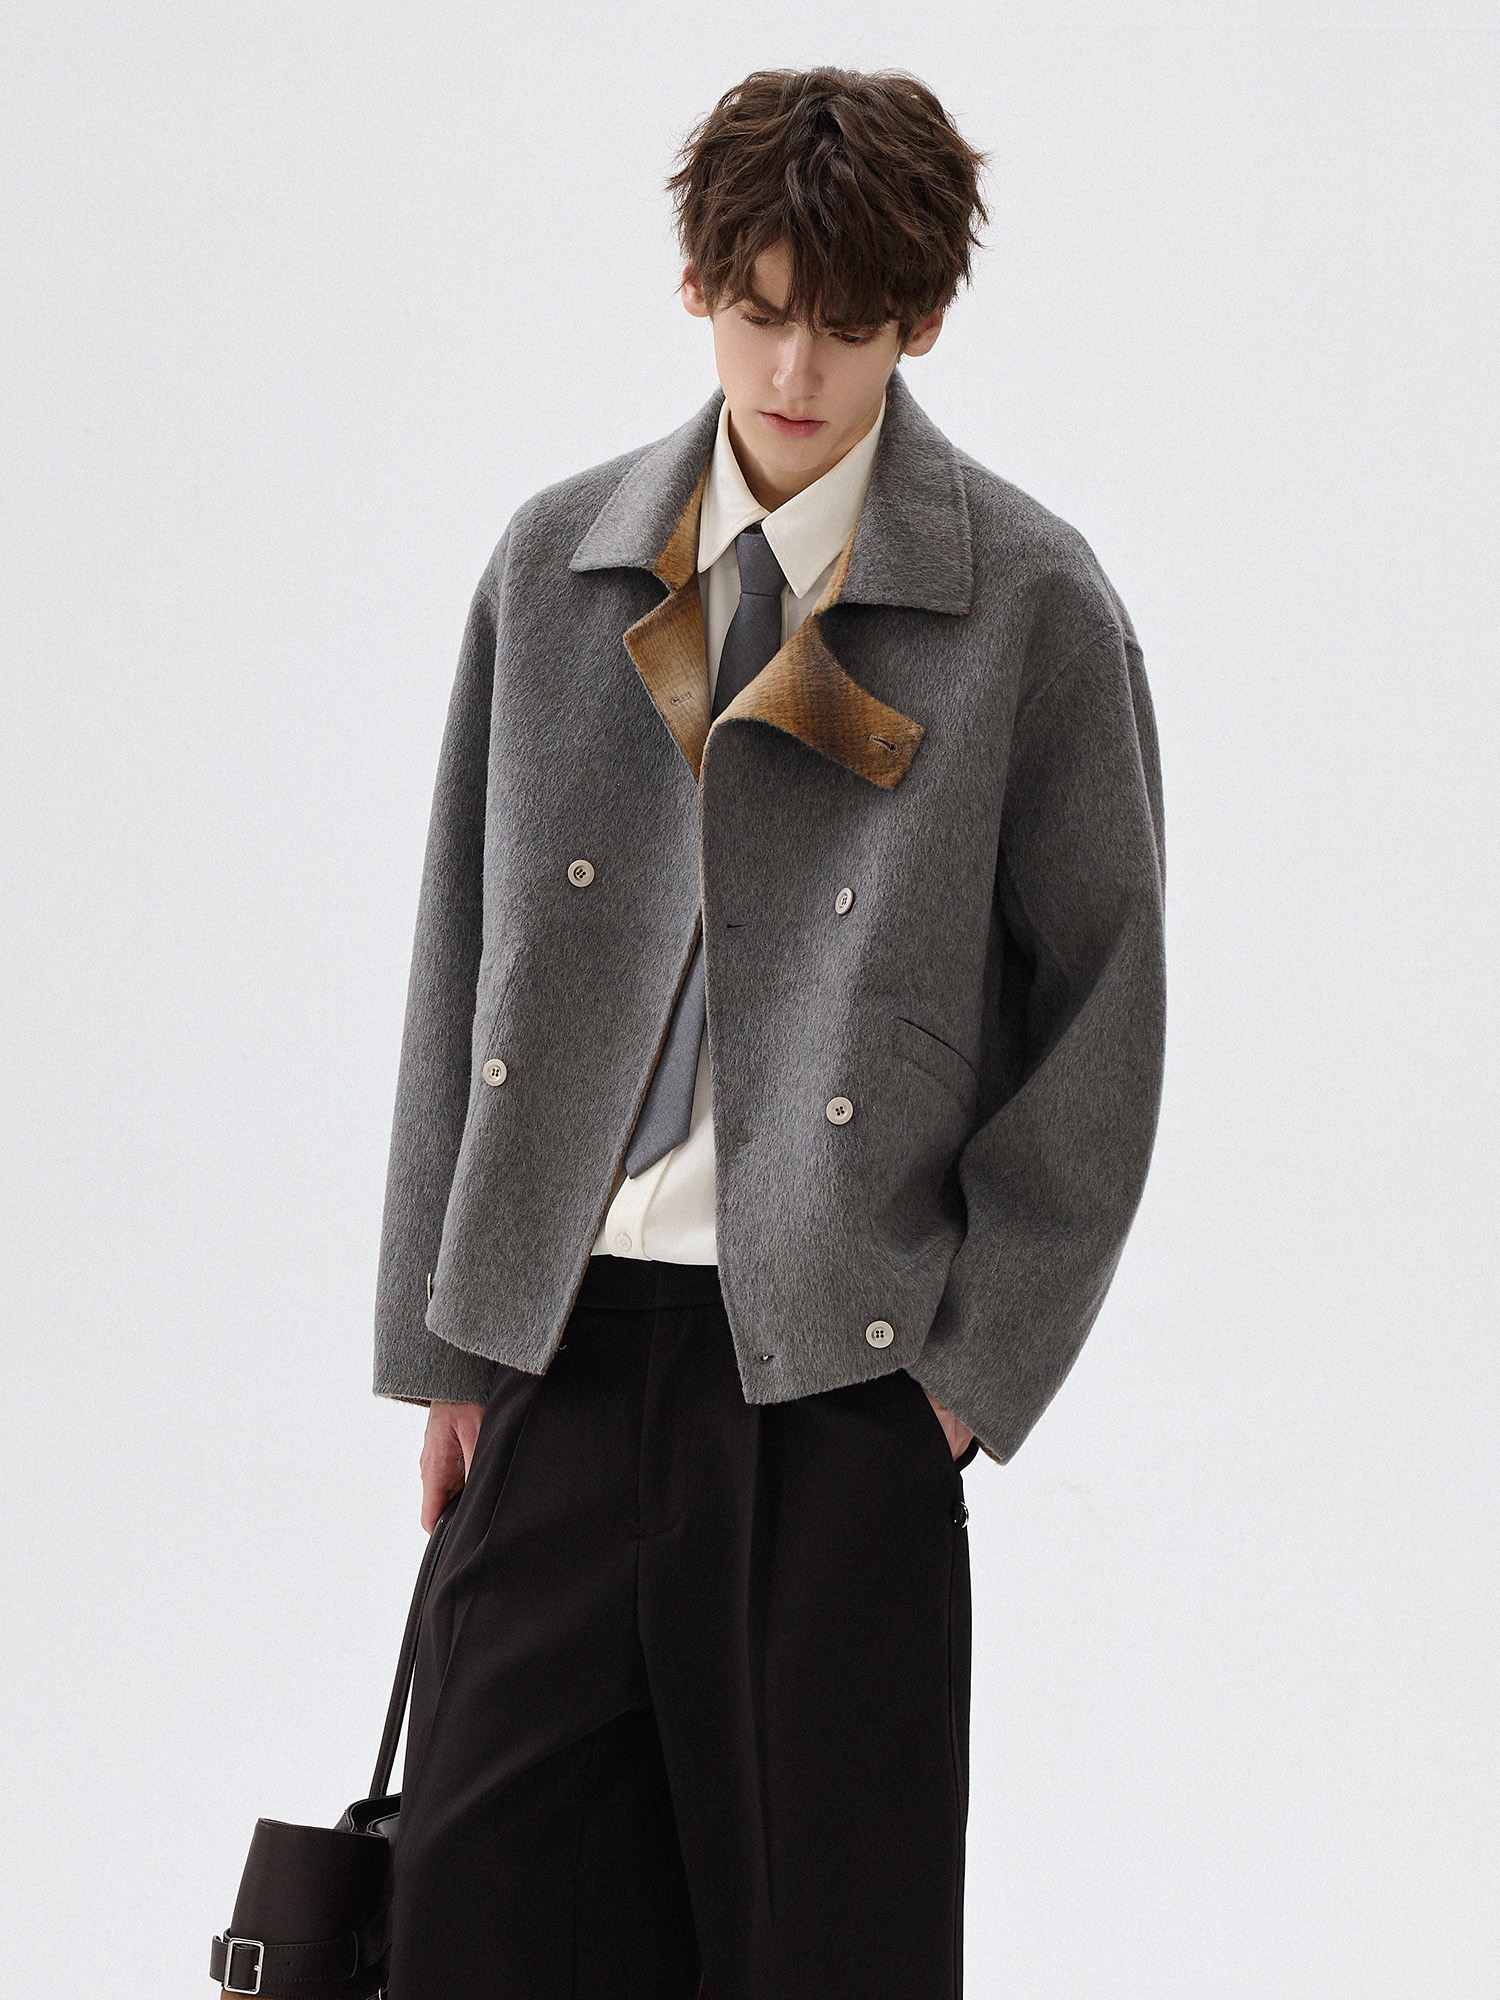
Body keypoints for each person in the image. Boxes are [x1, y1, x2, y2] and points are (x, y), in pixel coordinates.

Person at [373, 65, 1165, 2000]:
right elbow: (458, 951)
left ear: (924, 320)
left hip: (836, 1395)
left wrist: (959, 1382)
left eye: (850, 322)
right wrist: (446, 1343)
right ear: (698, 286)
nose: (796, 368)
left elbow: (1106, 1010)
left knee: (825, 1951)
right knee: (481, 1929)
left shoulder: (1026, 606)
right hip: (559, 1356)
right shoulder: (557, 567)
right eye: (760, 307)